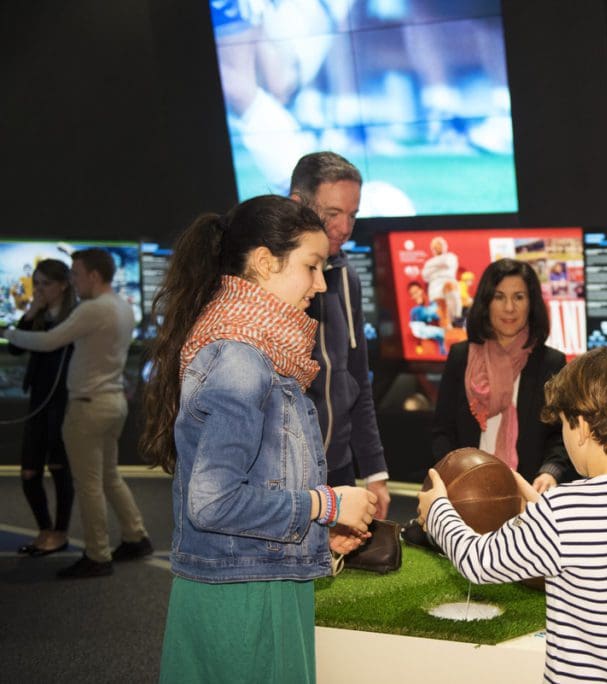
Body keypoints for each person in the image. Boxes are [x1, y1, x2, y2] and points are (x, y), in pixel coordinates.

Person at [139, 195, 378, 682]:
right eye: (312, 266)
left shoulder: (255, 350)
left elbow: (254, 490)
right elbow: (213, 503)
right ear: (265, 263)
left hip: (253, 580)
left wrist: (316, 533)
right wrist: (324, 505)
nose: (320, 282)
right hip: (243, 596)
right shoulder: (241, 358)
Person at [418, 346, 607, 682]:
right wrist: (542, 509)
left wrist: (439, 508)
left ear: (583, 427)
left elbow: (477, 560)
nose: (565, 437)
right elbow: (598, 536)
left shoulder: (563, 513)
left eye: (564, 427)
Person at [2, 248, 152, 579]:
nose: (73, 280)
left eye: (76, 273)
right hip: (113, 403)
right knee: (110, 477)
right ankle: (136, 536)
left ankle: (98, 556)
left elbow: (49, 341)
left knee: (89, 484)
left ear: (94, 276)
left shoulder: (94, 309)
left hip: (88, 406)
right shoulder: (122, 308)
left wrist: (9, 333)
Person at [289, 151, 390, 518]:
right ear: (298, 204)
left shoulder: (347, 279)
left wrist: (375, 471)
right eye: (333, 214)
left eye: (352, 215)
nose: (345, 228)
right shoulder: (269, 283)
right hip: (288, 478)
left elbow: (357, 381)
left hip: (341, 469)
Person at [431, 258, 575, 492]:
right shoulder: (461, 357)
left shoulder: (551, 363)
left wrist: (551, 471)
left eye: (519, 297)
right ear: (486, 303)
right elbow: (442, 432)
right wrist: (455, 475)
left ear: (531, 303)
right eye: (499, 297)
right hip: (467, 493)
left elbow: (562, 436)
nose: (509, 307)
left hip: (530, 495)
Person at [8, 260, 76, 557]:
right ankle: (44, 529)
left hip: (63, 399)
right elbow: (15, 348)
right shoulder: (37, 316)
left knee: (60, 467)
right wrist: (31, 311)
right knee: (29, 471)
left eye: (45, 284)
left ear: (62, 285)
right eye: (36, 284)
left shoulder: (74, 317)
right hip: (39, 397)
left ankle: (59, 532)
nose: (39, 290)